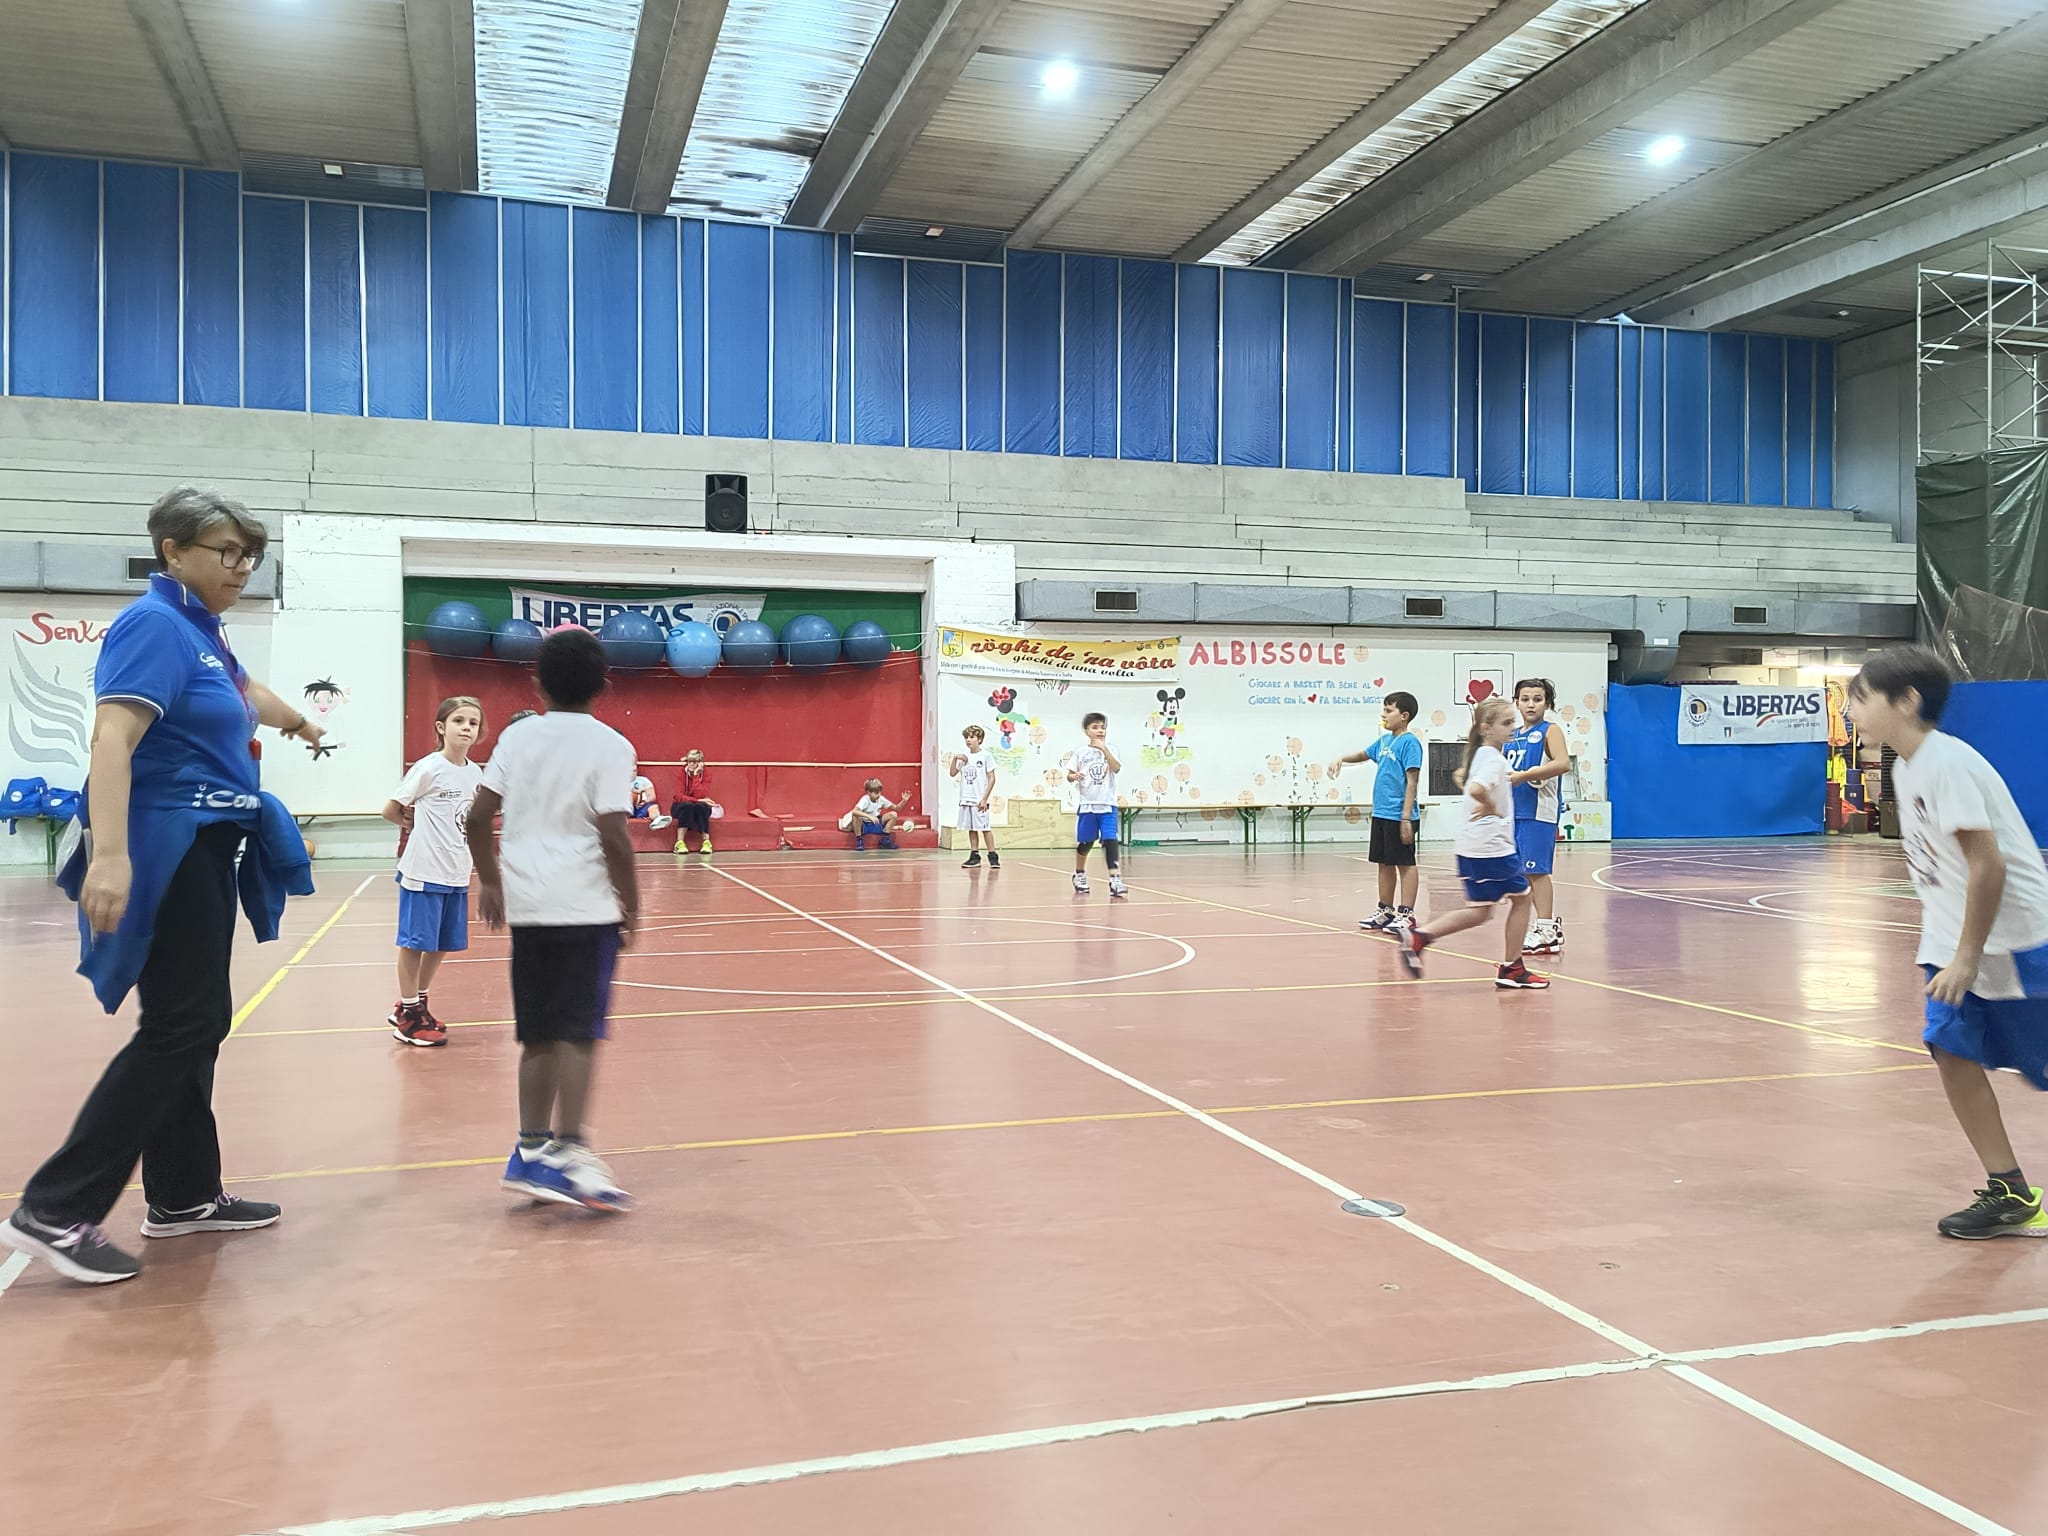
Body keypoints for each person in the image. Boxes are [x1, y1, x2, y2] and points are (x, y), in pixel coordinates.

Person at [1, 487, 321, 1285]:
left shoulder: (200, 631)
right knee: (184, 1022)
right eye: (225, 551)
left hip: (204, 844)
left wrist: (299, 723)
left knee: (195, 1019)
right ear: (172, 551)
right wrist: (111, 856)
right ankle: (56, 1207)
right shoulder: (153, 625)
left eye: (249, 555)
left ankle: (182, 1194)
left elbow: (244, 693)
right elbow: (112, 738)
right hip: (163, 845)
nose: (240, 567)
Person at [1844, 646, 2048, 1239]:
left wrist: (1966, 957)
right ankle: (2011, 1192)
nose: (1851, 709)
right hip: (1954, 943)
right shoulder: (1905, 768)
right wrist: (1948, 949)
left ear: (1906, 702)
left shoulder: (1947, 763)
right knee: (1950, 1048)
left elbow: (1988, 866)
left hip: (2016, 941)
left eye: (1861, 697)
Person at [466, 628, 639, 1214]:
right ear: (604, 687)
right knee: (579, 1033)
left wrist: (490, 881)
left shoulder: (517, 737)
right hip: (585, 908)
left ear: (537, 683)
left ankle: (530, 1149)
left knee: (538, 1031)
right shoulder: (611, 745)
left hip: (529, 906)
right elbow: (614, 834)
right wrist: (632, 903)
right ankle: (571, 1150)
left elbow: (478, 817)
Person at [1398, 697, 1549, 990]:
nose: (1512, 727)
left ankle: (1420, 937)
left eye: (1513, 722)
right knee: (1522, 899)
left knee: (1481, 910)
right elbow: (1478, 788)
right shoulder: (1493, 760)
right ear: (1486, 728)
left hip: (1472, 848)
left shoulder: (1480, 755)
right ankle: (1513, 968)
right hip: (1491, 849)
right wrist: (1490, 806)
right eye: (1506, 723)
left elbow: (1465, 779)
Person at [381, 695, 485, 1047]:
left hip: (456, 870)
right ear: (441, 727)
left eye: (473, 722)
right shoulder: (428, 768)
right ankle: (408, 1015)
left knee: (441, 944)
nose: (466, 728)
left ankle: (415, 1003)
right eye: (459, 721)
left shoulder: (474, 772)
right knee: (415, 943)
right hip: (424, 870)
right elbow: (390, 808)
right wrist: (410, 824)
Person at [1334, 690, 1423, 932]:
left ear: (1404, 716)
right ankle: (1385, 910)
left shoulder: (1410, 743)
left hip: (1399, 815)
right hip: (1381, 813)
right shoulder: (1384, 741)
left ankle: (1407, 914)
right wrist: (1341, 759)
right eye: (1383, 710)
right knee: (1384, 863)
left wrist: (1406, 818)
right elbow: (1363, 754)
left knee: (1405, 864)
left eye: (1388, 710)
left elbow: (1412, 781)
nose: (1383, 715)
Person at [1505, 677, 1571, 956]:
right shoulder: (1511, 735)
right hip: (1514, 812)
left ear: (1547, 703)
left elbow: (1563, 763)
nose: (1531, 704)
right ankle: (1539, 927)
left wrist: (1525, 776)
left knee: (1537, 871)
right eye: (1525, 699)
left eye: (1537, 699)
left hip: (1538, 811)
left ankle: (1547, 929)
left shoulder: (1549, 731)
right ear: (1516, 702)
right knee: (1522, 872)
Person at [1068, 713, 1124, 898]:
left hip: (1107, 804)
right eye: (1095, 727)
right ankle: (1079, 873)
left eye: (1102, 727)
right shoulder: (1080, 752)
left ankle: (1115, 879)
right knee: (1086, 843)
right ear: (1087, 731)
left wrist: (1104, 749)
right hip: (1088, 805)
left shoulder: (1111, 749)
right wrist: (1074, 776)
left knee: (1110, 840)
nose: (1100, 730)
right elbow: (1069, 775)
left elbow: (1116, 768)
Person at [948, 725, 1000, 869]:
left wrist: (984, 799)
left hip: (979, 799)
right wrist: (955, 758)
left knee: (985, 827)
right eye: (966, 737)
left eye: (972, 737)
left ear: (980, 739)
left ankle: (993, 855)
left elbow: (992, 778)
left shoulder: (986, 756)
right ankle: (974, 855)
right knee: (971, 828)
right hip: (966, 798)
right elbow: (952, 773)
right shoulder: (964, 757)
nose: (968, 740)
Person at [670, 748, 715, 855]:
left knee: (702, 806)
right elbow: (678, 796)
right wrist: (697, 800)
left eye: (694, 762)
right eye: (689, 761)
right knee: (687, 806)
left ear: (700, 763)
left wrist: (695, 776)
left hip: (698, 806)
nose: (690, 764)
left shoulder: (706, 773)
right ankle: (679, 843)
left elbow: (701, 794)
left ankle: (706, 842)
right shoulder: (681, 772)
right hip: (680, 806)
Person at [844, 779, 911, 849]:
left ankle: (885, 840)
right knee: (855, 815)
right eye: (876, 793)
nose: (878, 795)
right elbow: (854, 811)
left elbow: (897, 808)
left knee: (893, 814)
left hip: (876, 823)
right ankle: (859, 841)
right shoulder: (865, 799)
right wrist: (869, 817)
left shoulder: (881, 799)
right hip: (864, 825)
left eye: (879, 792)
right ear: (869, 792)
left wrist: (904, 800)